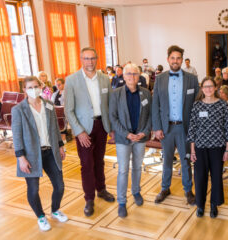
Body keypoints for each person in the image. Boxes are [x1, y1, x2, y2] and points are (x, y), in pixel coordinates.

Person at [11, 76, 67, 231]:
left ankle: (55, 210)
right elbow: (16, 135)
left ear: (41, 87)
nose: (34, 89)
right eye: (30, 87)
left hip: (50, 151)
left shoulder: (48, 104)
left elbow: (55, 127)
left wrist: (60, 145)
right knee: (34, 189)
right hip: (30, 155)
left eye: (36, 86)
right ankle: (41, 216)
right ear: (24, 90)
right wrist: (20, 157)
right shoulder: (18, 109)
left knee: (60, 185)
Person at [64, 47, 115, 217]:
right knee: (87, 164)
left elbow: (108, 106)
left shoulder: (104, 79)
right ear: (81, 59)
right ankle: (89, 199)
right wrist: (78, 132)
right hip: (84, 129)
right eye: (86, 58)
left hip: (102, 126)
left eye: (93, 58)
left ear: (97, 59)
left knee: (99, 161)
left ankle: (101, 189)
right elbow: (68, 110)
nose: (90, 62)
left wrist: (111, 128)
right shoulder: (71, 80)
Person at [152, 45, 199, 205]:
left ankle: (188, 191)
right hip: (166, 128)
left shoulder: (192, 79)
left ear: (182, 60)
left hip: (184, 127)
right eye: (173, 58)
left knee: (185, 161)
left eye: (178, 58)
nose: (175, 61)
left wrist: (195, 128)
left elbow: (197, 105)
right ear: (168, 59)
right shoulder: (160, 78)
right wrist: (157, 127)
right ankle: (165, 188)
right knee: (167, 160)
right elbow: (155, 104)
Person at [109, 63, 152, 218]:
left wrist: (144, 132)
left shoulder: (146, 93)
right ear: (124, 76)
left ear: (139, 76)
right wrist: (126, 134)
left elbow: (150, 116)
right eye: (128, 74)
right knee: (123, 170)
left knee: (137, 167)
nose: (131, 77)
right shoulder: (116, 94)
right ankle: (122, 201)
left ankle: (136, 192)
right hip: (123, 138)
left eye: (135, 74)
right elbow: (112, 117)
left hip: (140, 138)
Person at [187, 77, 228, 218]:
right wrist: (192, 150)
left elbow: (227, 129)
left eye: (210, 86)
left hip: (218, 147)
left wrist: (227, 149)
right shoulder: (197, 105)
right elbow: (192, 129)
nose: (208, 89)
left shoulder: (222, 105)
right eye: (205, 86)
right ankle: (200, 205)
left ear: (215, 88)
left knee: (217, 177)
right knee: (200, 177)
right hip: (200, 147)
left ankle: (214, 204)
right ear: (202, 89)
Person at [51, 78, 67, 144]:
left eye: (59, 85)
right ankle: (59, 143)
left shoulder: (67, 92)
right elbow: (51, 103)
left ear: (64, 84)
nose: (58, 86)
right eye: (56, 85)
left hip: (64, 113)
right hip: (56, 113)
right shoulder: (55, 94)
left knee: (63, 127)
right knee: (57, 128)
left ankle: (64, 140)